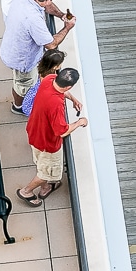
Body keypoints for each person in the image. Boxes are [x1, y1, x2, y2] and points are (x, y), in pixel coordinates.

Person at [0, 0, 76, 113]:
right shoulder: (33, 19)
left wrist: (61, 15)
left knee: (24, 82)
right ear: (47, 0)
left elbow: (47, 6)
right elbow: (51, 44)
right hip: (22, 61)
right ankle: (18, 107)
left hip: (11, 47)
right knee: (23, 85)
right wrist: (67, 27)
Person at [19, 67, 88, 207]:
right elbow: (62, 131)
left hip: (34, 132)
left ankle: (45, 188)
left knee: (41, 163)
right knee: (46, 173)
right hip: (48, 144)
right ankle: (26, 191)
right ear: (69, 86)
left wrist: (73, 99)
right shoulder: (56, 105)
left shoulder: (49, 80)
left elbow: (62, 91)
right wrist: (80, 122)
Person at [21, 49, 79, 117]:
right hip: (35, 107)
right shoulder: (51, 80)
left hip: (30, 99)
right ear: (55, 67)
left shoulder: (42, 68)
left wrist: (74, 100)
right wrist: (73, 99)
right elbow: (60, 90)